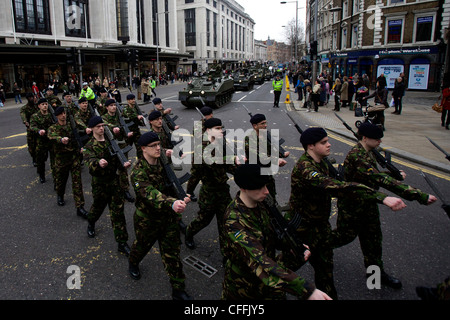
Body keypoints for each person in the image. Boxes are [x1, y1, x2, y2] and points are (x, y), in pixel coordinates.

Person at [285, 127, 407, 299]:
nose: (329, 145)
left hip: (321, 228)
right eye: (323, 142)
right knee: (281, 271)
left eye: (328, 141)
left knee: (326, 273)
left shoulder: (322, 163)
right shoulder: (305, 169)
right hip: (303, 232)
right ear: (310, 146)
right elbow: (336, 186)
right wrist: (382, 197)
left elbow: (354, 179)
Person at [332, 123, 437, 288]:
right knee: (343, 237)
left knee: (373, 241)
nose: (380, 141)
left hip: (369, 203)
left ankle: (375, 275)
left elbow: (374, 175)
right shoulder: (357, 155)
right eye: (376, 138)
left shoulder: (369, 152)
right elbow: (380, 179)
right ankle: (313, 247)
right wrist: (419, 195)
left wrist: (393, 174)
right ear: (365, 138)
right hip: (352, 205)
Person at [221, 163, 332, 300]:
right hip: (244, 288)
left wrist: (293, 245)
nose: (266, 191)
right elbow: (258, 260)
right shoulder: (234, 220)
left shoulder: (262, 203)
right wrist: (307, 290)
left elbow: (273, 232)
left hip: (269, 283)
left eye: (266, 185)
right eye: (260, 187)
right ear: (244, 188)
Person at [127, 132, 192, 300]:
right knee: (141, 246)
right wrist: (172, 203)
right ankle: (133, 262)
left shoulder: (163, 163)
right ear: (143, 149)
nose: (158, 148)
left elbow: (171, 183)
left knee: (172, 254)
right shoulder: (138, 172)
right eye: (153, 146)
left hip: (168, 219)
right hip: (147, 220)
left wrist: (180, 196)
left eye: (159, 145)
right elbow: (149, 193)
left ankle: (178, 288)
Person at [184, 118, 237, 251]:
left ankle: (226, 253)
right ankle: (189, 233)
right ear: (208, 130)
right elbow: (210, 163)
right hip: (209, 191)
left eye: (221, 128)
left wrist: (240, 170)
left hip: (223, 190)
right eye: (217, 128)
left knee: (226, 220)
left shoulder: (221, 143)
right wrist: (189, 191)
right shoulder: (201, 147)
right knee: (203, 220)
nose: (221, 131)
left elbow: (228, 166)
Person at [83, 116, 132, 256]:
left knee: (118, 213)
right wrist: (98, 164)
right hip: (100, 184)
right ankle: (91, 222)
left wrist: (123, 164)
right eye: (98, 126)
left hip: (114, 182)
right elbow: (90, 164)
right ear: (92, 128)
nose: (101, 128)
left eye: (102, 125)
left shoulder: (111, 142)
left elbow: (118, 160)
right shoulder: (89, 146)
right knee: (97, 208)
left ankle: (122, 242)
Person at [47, 107, 89, 218]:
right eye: (60, 114)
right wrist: (60, 139)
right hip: (61, 159)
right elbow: (51, 136)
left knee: (77, 183)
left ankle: (80, 207)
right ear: (57, 116)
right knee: (61, 180)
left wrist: (81, 147)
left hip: (74, 158)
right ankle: (60, 195)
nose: (63, 116)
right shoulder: (53, 128)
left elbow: (77, 137)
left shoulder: (71, 126)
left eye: (64, 113)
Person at [245, 113, 289, 201]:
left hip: (267, 173)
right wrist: (275, 160)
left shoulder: (266, 135)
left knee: (271, 197)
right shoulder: (249, 139)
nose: (265, 125)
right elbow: (258, 156)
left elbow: (274, 149)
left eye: (266, 123)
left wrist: (282, 153)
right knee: (258, 200)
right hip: (256, 174)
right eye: (262, 123)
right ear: (255, 126)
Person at [102, 98, 135, 202]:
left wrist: (127, 131)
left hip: (122, 144)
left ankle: (125, 190)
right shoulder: (103, 118)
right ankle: (111, 189)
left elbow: (128, 119)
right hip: (111, 147)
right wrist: (114, 128)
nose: (113, 107)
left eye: (114, 105)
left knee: (123, 169)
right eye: (111, 105)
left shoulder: (120, 116)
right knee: (110, 169)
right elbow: (105, 125)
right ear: (107, 107)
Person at [29, 98, 56, 183]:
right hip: (41, 141)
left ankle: (56, 179)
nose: (45, 106)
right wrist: (39, 130)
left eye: (46, 104)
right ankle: (41, 175)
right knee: (41, 160)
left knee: (54, 161)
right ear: (39, 106)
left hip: (51, 141)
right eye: (43, 104)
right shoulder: (35, 116)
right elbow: (32, 127)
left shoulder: (52, 115)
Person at [20, 93, 39, 166]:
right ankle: (34, 159)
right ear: (28, 99)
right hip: (31, 128)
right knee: (31, 146)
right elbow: (22, 115)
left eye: (33, 97)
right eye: (30, 97)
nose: (32, 99)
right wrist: (25, 121)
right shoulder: (24, 108)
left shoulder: (37, 106)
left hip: (39, 128)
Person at [123, 93, 145, 158]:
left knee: (140, 147)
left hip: (136, 131)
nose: (133, 100)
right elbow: (129, 116)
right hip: (128, 131)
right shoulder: (126, 109)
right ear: (128, 101)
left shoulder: (135, 108)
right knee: (126, 148)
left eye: (134, 99)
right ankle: (124, 162)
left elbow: (139, 118)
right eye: (131, 99)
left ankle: (141, 160)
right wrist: (137, 116)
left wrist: (142, 122)